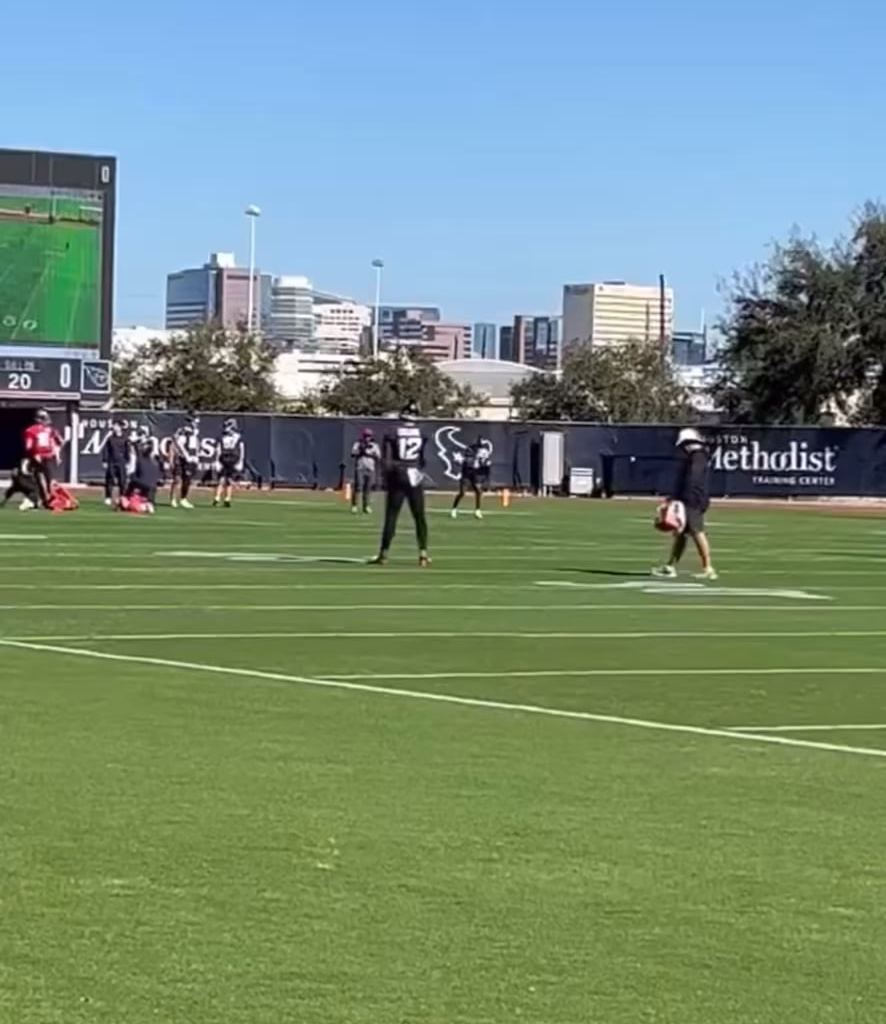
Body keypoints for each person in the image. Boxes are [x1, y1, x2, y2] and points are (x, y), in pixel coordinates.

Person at [369, 402, 430, 567]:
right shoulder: (422, 432)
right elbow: (423, 459)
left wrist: (386, 476)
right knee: (419, 517)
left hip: (398, 473)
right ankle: (423, 554)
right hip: (414, 473)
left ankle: (384, 554)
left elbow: (387, 460)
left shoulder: (392, 431)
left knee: (391, 516)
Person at [653, 427, 717, 580]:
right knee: (681, 534)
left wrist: (678, 499)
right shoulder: (695, 457)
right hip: (690, 499)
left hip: (692, 500)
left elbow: (692, 480)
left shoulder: (697, 457)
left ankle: (708, 567)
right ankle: (670, 566)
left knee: (696, 531)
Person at [22, 409, 62, 508]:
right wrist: (57, 454)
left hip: (38, 456)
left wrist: (32, 456)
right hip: (48, 455)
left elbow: (28, 446)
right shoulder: (50, 430)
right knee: (49, 479)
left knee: (40, 479)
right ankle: (50, 499)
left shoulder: (30, 430)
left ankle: (45, 499)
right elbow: (60, 441)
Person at [451, 434, 492, 520]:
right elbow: (467, 461)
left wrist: (484, 463)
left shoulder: (482, 451)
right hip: (466, 473)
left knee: (478, 491)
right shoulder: (470, 449)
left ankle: (477, 510)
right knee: (462, 493)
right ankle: (454, 509)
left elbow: (484, 461)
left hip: (474, 474)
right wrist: (474, 462)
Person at [123, 435, 163, 513]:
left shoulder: (141, 459)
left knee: (132, 481)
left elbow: (137, 450)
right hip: (152, 486)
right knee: (151, 487)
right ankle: (149, 503)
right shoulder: (155, 462)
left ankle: (127, 498)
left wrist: (133, 443)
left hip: (142, 483)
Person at [169, 413, 200, 509]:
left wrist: (196, 455)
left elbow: (195, 444)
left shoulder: (195, 431)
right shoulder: (184, 430)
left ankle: (183, 499)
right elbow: (178, 443)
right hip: (182, 458)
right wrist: (186, 455)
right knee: (177, 479)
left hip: (191, 458)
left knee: (187, 480)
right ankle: (173, 499)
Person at [213, 418, 245, 508]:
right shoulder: (221, 437)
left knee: (229, 480)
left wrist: (240, 461)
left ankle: (227, 498)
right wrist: (217, 461)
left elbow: (242, 449)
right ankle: (217, 497)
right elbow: (218, 449)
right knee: (221, 479)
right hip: (223, 458)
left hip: (233, 458)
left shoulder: (238, 436)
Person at [101, 419, 132, 507]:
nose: (114, 427)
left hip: (121, 462)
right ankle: (108, 497)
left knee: (122, 480)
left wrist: (128, 461)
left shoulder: (125, 438)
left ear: (120, 427)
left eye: (115, 426)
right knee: (109, 479)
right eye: (113, 426)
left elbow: (127, 450)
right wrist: (105, 460)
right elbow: (106, 450)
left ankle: (122, 497)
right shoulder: (110, 438)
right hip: (111, 461)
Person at [350, 427, 381, 514]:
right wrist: (360, 451)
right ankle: (354, 505)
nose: (367, 438)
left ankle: (366, 506)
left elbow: (378, 456)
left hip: (370, 468)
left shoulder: (374, 445)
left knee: (368, 488)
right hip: (360, 467)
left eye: (369, 436)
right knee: (358, 486)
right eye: (366, 436)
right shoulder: (358, 444)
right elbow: (353, 453)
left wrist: (369, 453)